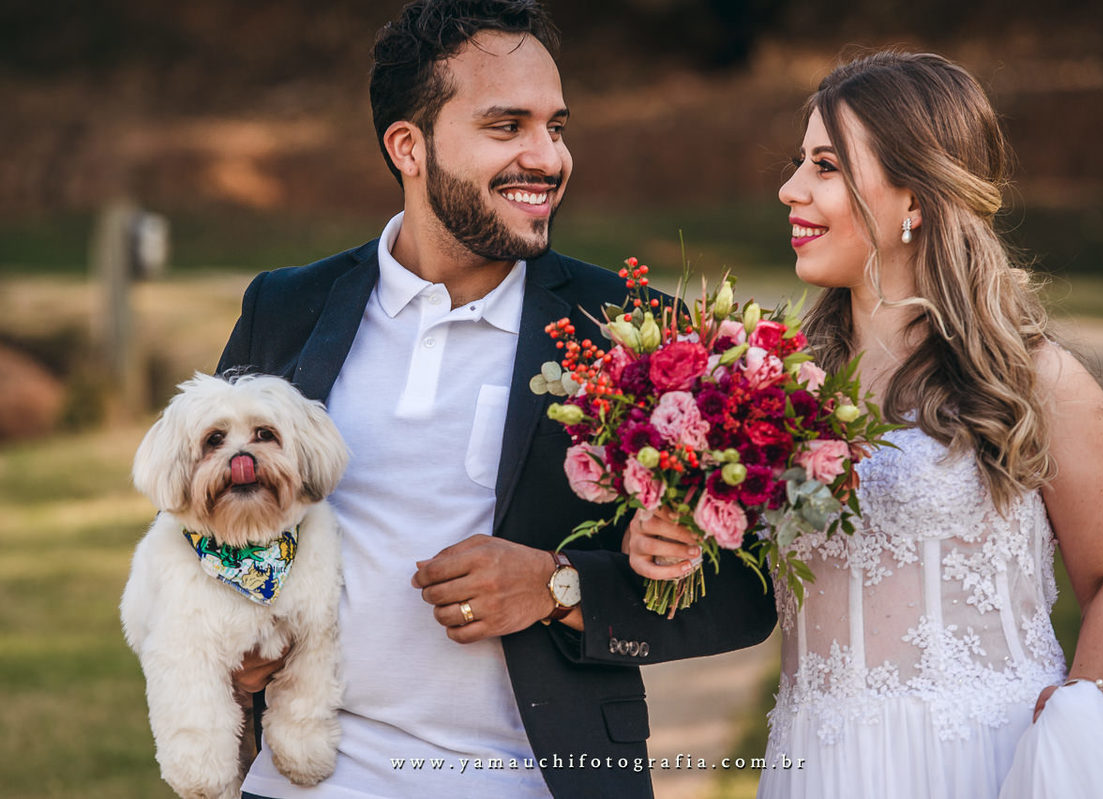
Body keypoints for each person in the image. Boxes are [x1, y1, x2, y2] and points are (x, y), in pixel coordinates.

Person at [214, 2, 777, 798]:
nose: (546, 156)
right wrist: (228, 646)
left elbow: (743, 593)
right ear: (408, 146)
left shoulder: (632, 334)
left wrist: (559, 584)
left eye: (556, 126)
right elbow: (195, 526)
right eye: (507, 126)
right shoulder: (286, 308)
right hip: (301, 777)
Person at [625, 51, 1103, 797]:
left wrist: (1076, 718)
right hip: (817, 759)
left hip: (982, 756)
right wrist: (663, 538)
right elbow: (739, 582)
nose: (789, 188)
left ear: (915, 197)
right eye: (798, 163)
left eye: (825, 166)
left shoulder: (1035, 379)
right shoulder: (771, 389)